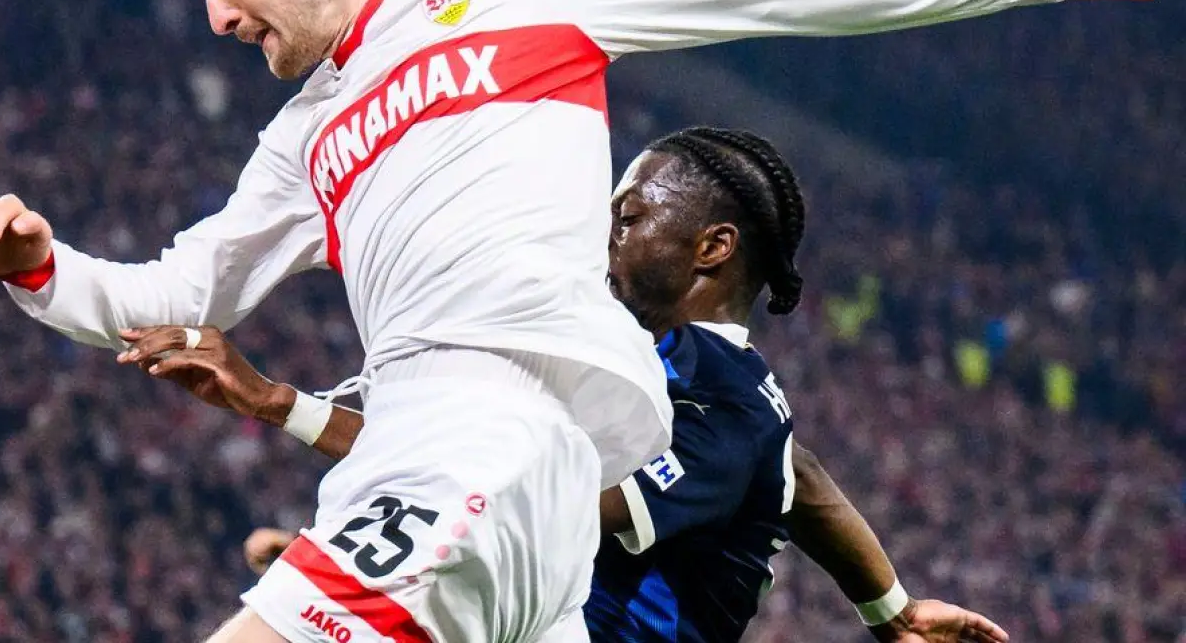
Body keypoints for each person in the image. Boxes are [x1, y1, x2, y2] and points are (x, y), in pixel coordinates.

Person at [0, 0, 1186, 643]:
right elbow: (176, 298)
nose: (216, 16)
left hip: (488, 432)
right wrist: (45, 266)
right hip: (512, 507)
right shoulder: (305, 133)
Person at [121, 127, 1009, 643]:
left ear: (712, 248)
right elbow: (801, 478)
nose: (605, 233)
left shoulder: (720, 400)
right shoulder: (655, 371)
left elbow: (522, 499)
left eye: (629, 216)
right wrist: (888, 611)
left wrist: (387, 558)